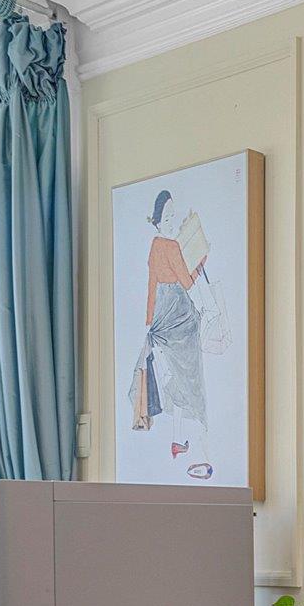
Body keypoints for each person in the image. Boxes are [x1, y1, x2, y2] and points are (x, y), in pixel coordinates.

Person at [127, 188, 219, 480]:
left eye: (173, 216)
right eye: (167, 216)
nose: (171, 220)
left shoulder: (154, 247)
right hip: (180, 316)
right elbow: (187, 282)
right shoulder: (170, 246)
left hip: (163, 318)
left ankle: (178, 441)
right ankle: (203, 454)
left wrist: (148, 324)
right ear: (157, 220)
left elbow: (152, 286)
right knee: (192, 382)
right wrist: (201, 259)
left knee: (179, 382)